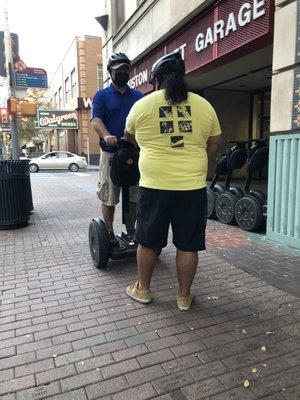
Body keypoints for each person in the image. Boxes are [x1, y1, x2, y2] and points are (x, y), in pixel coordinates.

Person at [124, 52, 222, 310]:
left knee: (147, 240)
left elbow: (130, 136)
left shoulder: (142, 105)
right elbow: (214, 142)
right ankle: (183, 297)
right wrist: (197, 158)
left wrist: (150, 148)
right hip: (192, 187)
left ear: (155, 80)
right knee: (188, 244)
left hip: (154, 185)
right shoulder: (204, 105)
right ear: (182, 78)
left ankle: (143, 290)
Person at [91, 53, 143, 246]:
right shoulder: (102, 95)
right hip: (111, 153)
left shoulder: (138, 96)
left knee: (134, 195)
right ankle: (110, 234)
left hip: (133, 153)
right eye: (118, 71)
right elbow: (96, 120)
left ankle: (131, 232)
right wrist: (106, 135)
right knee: (109, 195)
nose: (123, 73)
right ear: (110, 73)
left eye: (125, 70)